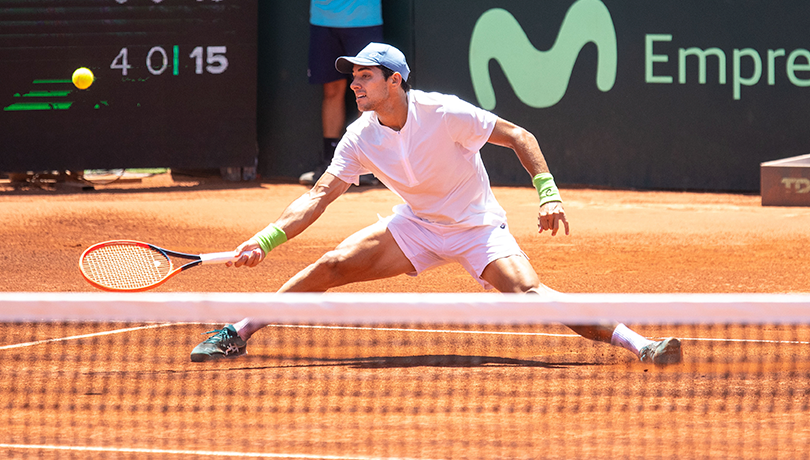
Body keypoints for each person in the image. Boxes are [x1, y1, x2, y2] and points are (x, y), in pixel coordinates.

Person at [191, 43, 682, 366]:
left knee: (529, 295)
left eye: (365, 76)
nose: (355, 85)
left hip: (476, 229)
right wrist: (266, 238)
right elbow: (319, 196)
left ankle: (641, 344)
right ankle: (238, 331)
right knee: (333, 263)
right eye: (354, 77)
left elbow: (518, 135)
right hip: (416, 227)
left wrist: (548, 194)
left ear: (395, 81)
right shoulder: (360, 136)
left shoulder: (444, 113)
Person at [299, 0, 382, 186]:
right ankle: (330, 164)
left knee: (367, 91)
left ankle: (365, 165)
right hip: (323, 20)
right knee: (331, 91)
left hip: (364, 20)